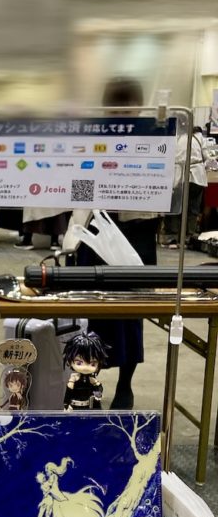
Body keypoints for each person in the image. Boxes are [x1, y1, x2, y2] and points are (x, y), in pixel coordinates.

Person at [75, 77, 155, 409]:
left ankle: (125, 385)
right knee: (90, 311)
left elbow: (161, 191)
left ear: (139, 107)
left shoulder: (153, 137)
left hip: (136, 232)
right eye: (115, 107)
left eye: (128, 107)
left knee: (131, 311)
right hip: (96, 230)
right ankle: (86, 379)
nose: (121, 113)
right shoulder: (92, 137)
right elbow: (78, 185)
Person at [161, 125, 207, 247]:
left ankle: (172, 237)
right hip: (197, 177)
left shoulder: (175, 138)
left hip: (178, 176)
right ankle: (189, 237)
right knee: (193, 208)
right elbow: (207, 157)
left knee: (175, 207)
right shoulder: (199, 138)